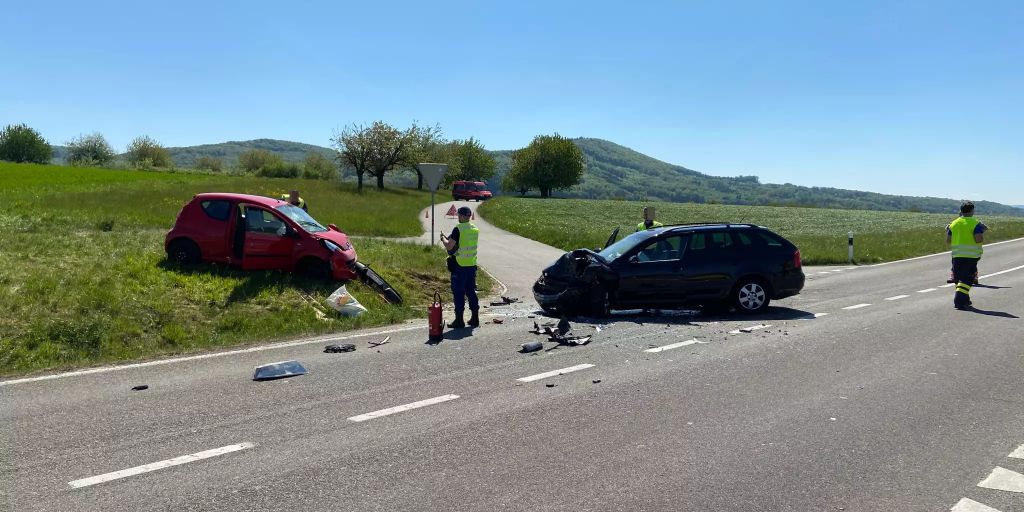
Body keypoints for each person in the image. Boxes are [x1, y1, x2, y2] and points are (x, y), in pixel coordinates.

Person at [440, 206, 480, 328]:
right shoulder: (475, 228)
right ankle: (475, 318)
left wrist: (443, 239)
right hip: (471, 265)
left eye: (459, 215)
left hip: (459, 265)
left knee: (458, 292)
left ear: (462, 216)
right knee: (470, 291)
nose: (458, 217)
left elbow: (449, 246)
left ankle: (459, 320)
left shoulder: (458, 229)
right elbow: (464, 244)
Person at [946, 200, 986, 310]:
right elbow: (978, 239)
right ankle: (959, 300)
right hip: (971, 256)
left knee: (959, 279)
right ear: (972, 211)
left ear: (961, 211)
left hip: (957, 255)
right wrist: (982, 232)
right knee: (968, 279)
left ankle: (965, 300)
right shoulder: (975, 223)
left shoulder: (953, 223)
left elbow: (948, 240)